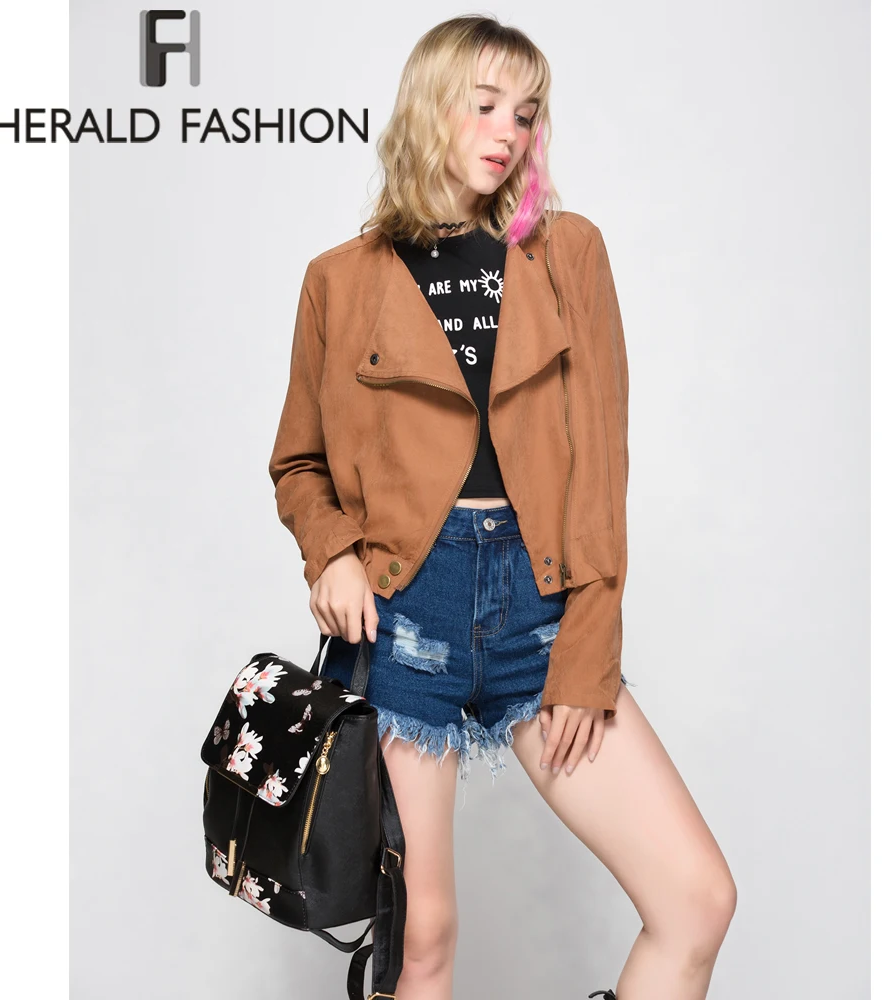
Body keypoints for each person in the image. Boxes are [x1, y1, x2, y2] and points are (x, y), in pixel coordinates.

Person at [268, 14, 736, 1000]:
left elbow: (599, 463)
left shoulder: (568, 253)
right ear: (427, 105)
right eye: (484, 105)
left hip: (540, 607)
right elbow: (300, 462)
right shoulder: (339, 280)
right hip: (405, 615)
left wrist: (587, 644)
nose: (507, 131)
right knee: (423, 938)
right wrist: (332, 553)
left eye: (524, 113)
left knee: (695, 900)